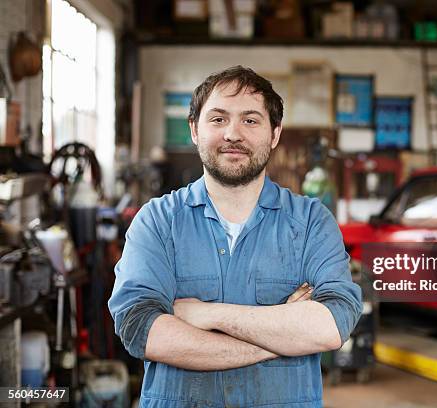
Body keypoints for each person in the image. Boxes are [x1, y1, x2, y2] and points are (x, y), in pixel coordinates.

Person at [108, 65, 363, 407]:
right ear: (194, 130)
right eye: (217, 119)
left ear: (274, 134)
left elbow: (332, 324)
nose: (232, 134)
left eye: (250, 120)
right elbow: (141, 329)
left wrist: (210, 315)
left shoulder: (311, 223)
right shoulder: (157, 221)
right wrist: (278, 338)